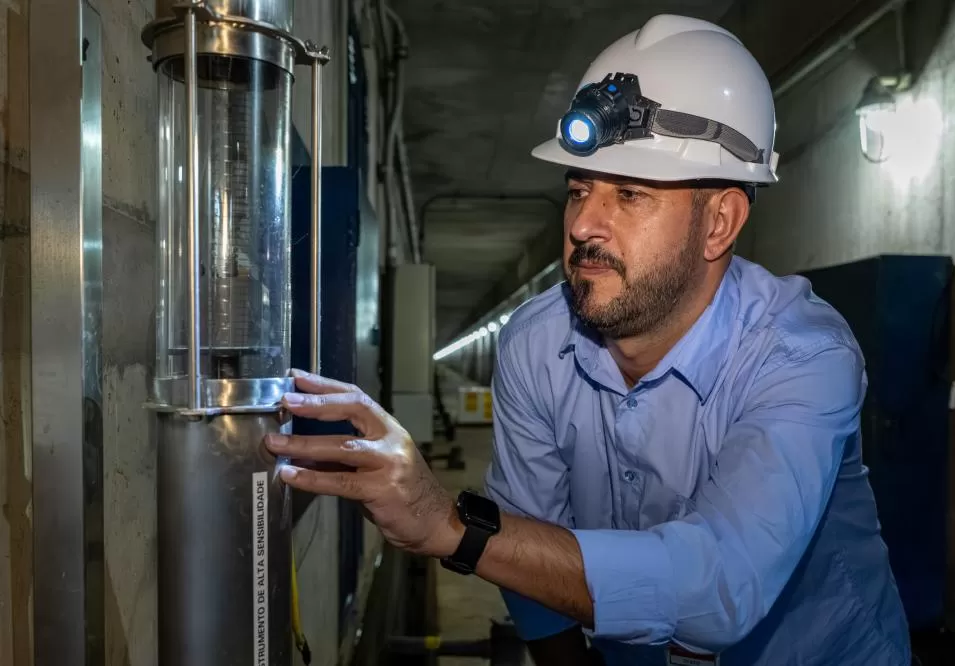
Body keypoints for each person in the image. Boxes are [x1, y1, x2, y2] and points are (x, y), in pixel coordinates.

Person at [264, 14, 912, 666]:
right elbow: (529, 557)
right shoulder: (535, 346)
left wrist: (448, 525)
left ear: (719, 223)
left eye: (629, 194)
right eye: (580, 190)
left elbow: (721, 585)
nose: (584, 224)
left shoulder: (801, 355)